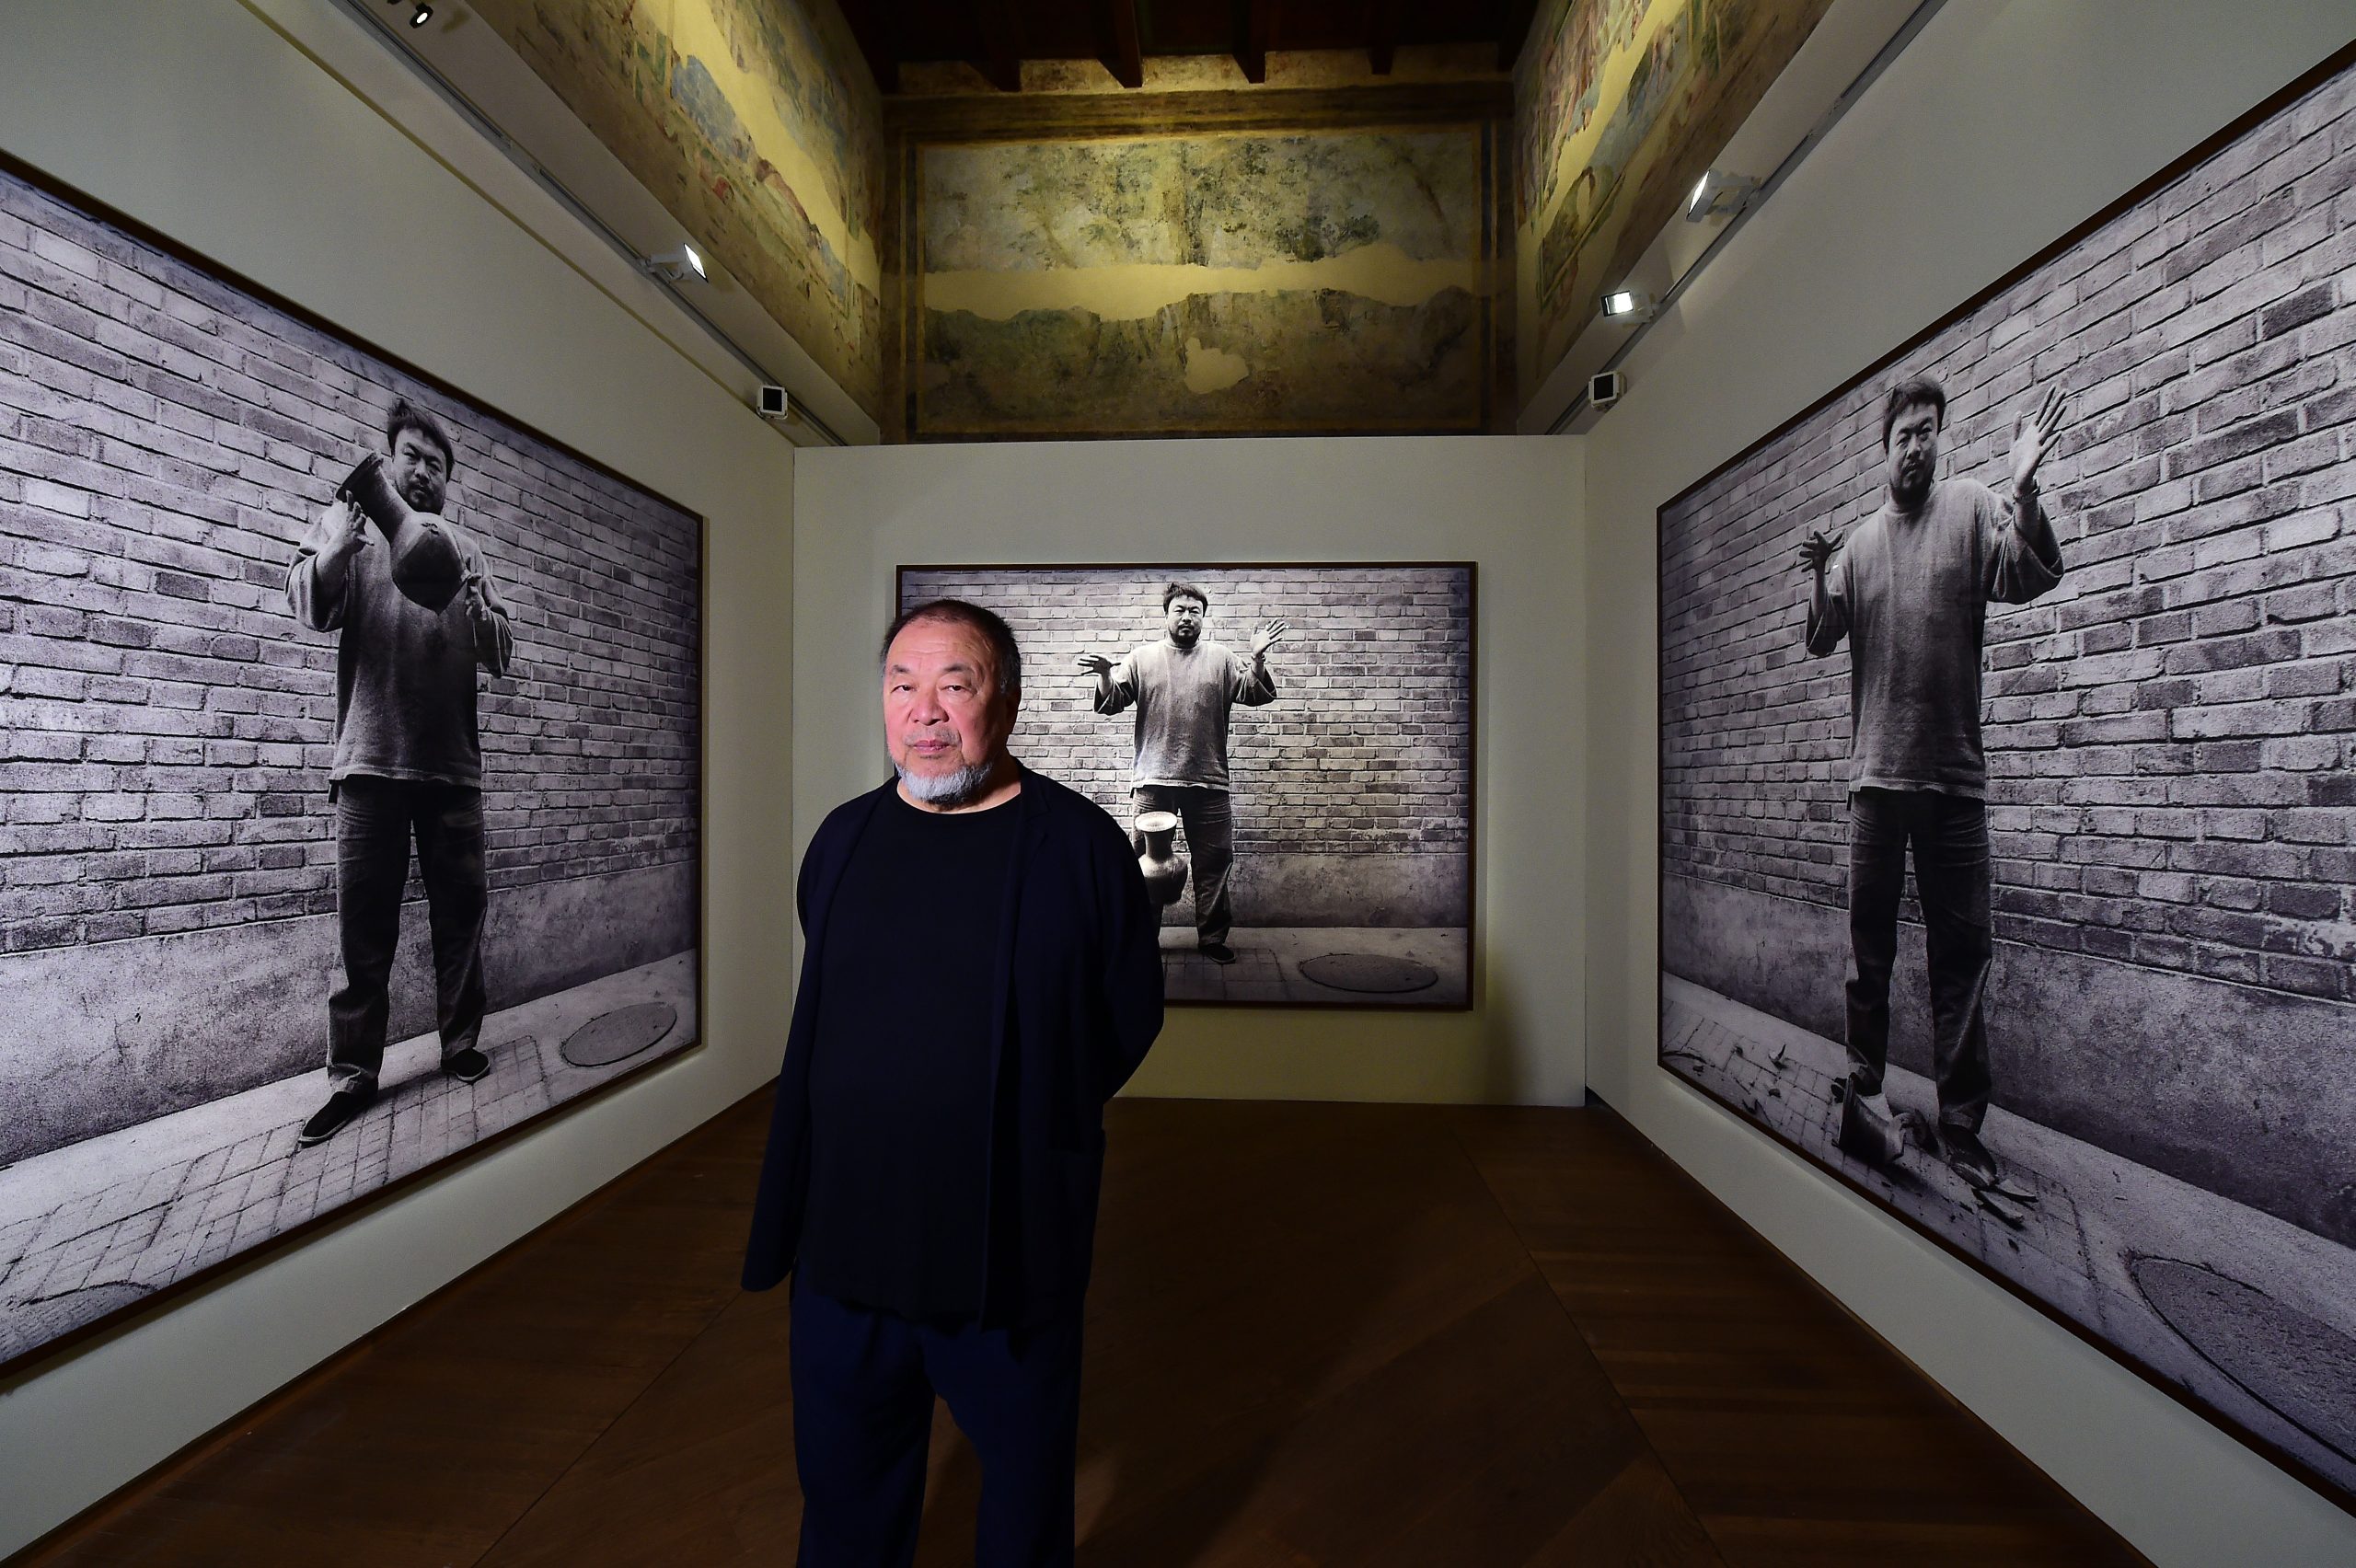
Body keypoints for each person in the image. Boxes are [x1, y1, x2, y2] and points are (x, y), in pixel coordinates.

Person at [743, 598, 1164, 1568]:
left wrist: (1030, 1114)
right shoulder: (842, 840)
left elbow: (1123, 1019)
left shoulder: (1083, 849)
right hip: (845, 1255)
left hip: (1007, 1260)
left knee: (1021, 1506)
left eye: (954, 684)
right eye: (902, 685)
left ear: (1004, 702)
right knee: (845, 1501)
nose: (923, 711)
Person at [1798, 374, 2067, 1195]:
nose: (1916, 446)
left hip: (1954, 782)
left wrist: (2024, 494)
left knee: (1962, 958)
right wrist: (1816, 578)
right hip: (1875, 785)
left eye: (1927, 432)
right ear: (1883, 450)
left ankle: (1960, 1128)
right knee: (1867, 954)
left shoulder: (1973, 507)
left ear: (1939, 439)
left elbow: (2030, 575)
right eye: (1902, 434)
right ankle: (1866, 1098)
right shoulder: (1858, 546)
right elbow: (1819, 636)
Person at [287, 400, 515, 1147]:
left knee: (460, 919)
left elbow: (502, 651)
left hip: (452, 769)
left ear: (449, 482)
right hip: (369, 766)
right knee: (364, 933)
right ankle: (353, 1075)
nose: (423, 472)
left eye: (437, 465)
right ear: (391, 463)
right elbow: (308, 603)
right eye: (412, 457)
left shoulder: (469, 548)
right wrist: (335, 552)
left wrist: (484, 613)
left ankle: (460, 1043)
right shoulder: (349, 529)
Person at [1076, 582, 1283, 964]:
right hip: (1154, 780)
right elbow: (1110, 704)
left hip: (1209, 780)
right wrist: (1106, 675)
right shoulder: (1142, 658)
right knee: (1144, 866)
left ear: (1203, 617)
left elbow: (1254, 694)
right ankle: (1141, 939)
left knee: (1215, 862)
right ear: (1167, 615)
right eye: (1180, 610)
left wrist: (1257, 660)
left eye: (1195, 611)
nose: (1187, 617)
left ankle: (1212, 939)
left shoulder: (1221, 659)